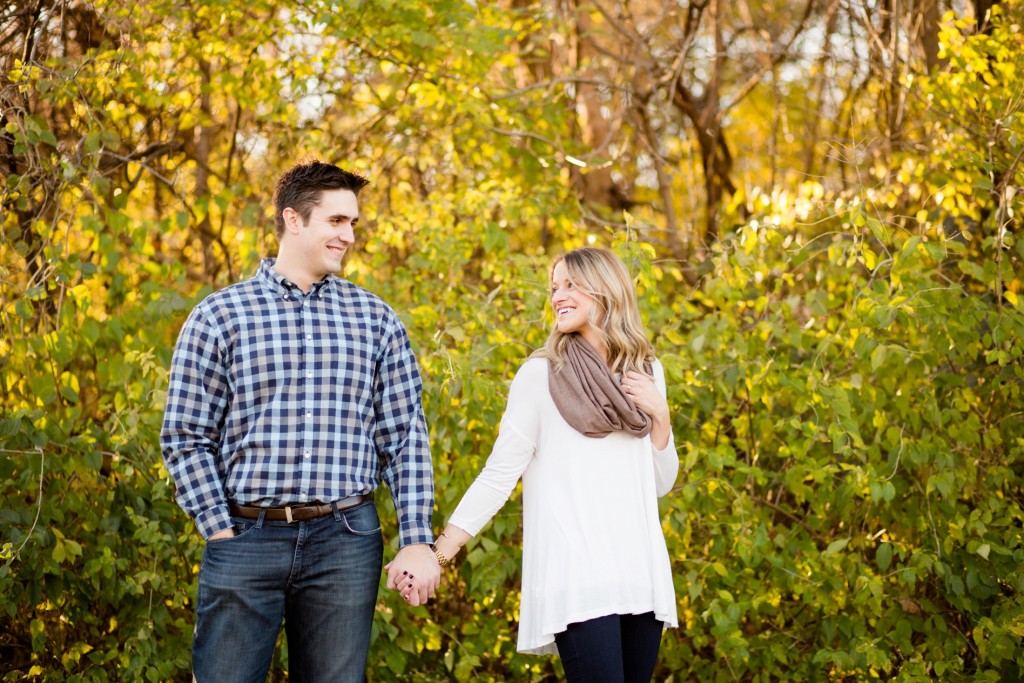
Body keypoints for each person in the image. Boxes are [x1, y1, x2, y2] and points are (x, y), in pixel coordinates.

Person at [161, 160, 440, 683]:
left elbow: (404, 437)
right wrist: (219, 528)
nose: (349, 236)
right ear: (293, 220)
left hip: (345, 539)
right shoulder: (220, 316)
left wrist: (417, 537)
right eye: (336, 221)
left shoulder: (376, 320)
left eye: (353, 223)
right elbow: (185, 435)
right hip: (245, 536)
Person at [427, 247, 679, 683]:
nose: (557, 296)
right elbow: (498, 475)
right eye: (553, 287)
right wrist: (440, 552)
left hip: (641, 574)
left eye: (569, 285)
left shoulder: (646, 371)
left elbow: (658, 483)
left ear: (604, 288)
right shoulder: (541, 376)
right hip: (578, 577)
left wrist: (661, 417)